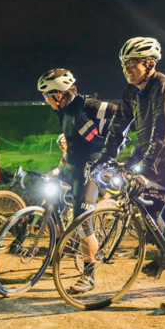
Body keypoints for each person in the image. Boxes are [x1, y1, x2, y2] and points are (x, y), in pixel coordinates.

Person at [95, 37, 165, 314]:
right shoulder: (131, 92)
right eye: (124, 63)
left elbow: (163, 134)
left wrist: (144, 172)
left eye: (131, 63)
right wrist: (105, 158)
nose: (126, 68)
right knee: (145, 210)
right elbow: (118, 127)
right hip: (158, 164)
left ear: (149, 64)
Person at [37, 68, 116, 293]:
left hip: (90, 168)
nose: (45, 100)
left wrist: (111, 148)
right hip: (71, 167)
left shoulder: (87, 104)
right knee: (47, 200)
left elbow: (122, 113)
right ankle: (60, 246)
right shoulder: (62, 110)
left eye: (46, 95)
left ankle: (89, 274)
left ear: (59, 94)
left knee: (81, 221)